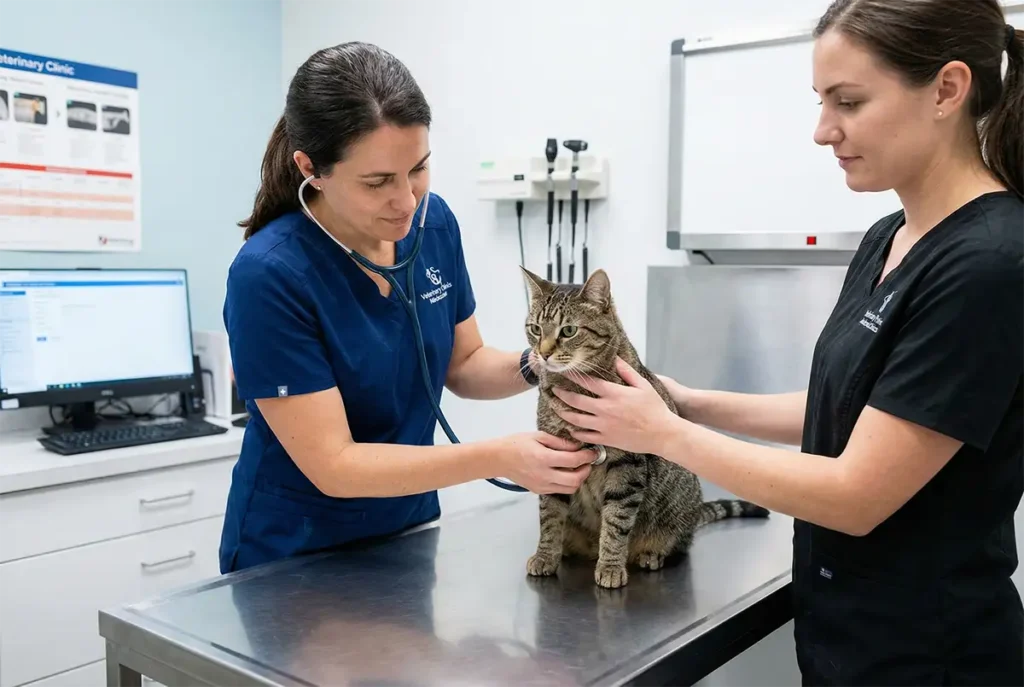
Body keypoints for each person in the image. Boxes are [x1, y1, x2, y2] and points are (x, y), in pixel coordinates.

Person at [552, 0, 1024, 684]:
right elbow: (850, 410)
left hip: (929, 657)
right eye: (820, 101)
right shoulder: (888, 237)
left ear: (948, 89)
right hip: (847, 637)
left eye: (849, 102)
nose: (822, 130)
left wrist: (664, 435)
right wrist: (684, 402)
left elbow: (858, 491)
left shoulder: (990, 263)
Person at [218, 42, 593, 574]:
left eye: (418, 169)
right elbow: (335, 464)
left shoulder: (432, 224)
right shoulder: (270, 274)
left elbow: (463, 364)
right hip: (293, 555)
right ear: (311, 169)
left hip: (407, 533)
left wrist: (549, 365)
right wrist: (503, 456)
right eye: (377, 183)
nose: (407, 200)